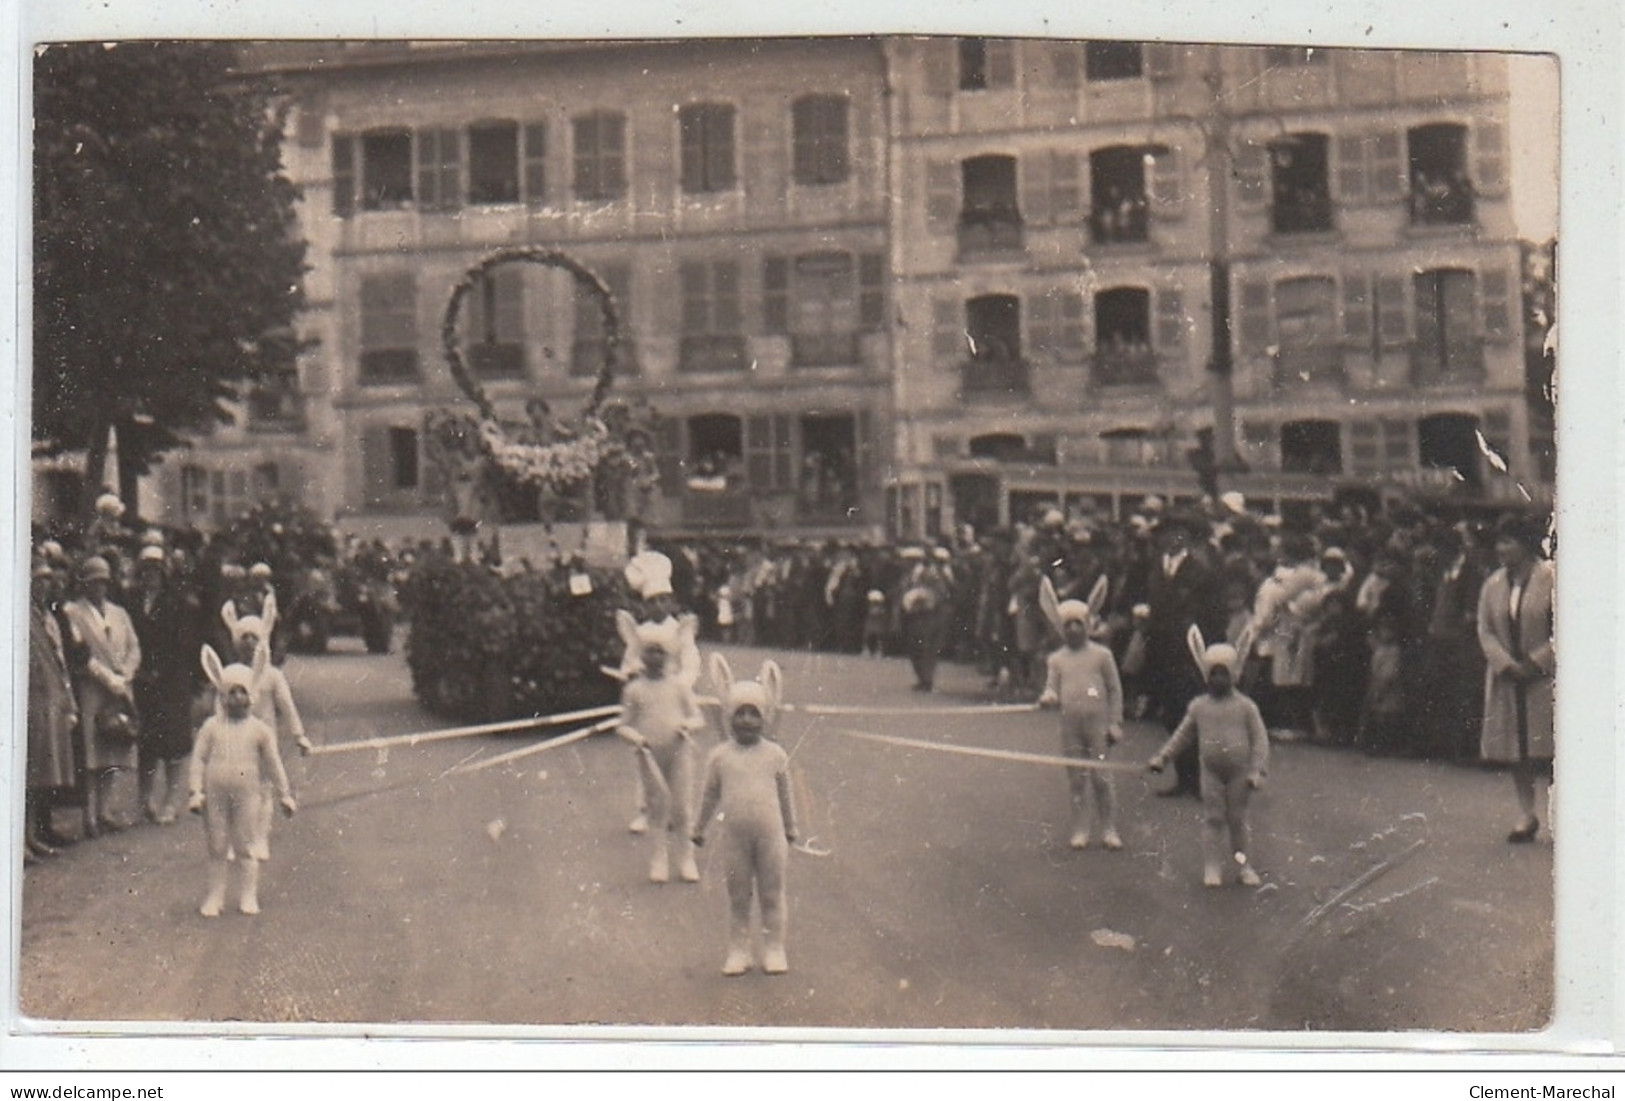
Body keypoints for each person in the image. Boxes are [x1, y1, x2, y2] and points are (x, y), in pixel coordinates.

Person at [693, 655, 798, 976]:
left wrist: (791, 828)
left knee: (771, 893)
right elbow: (709, 794)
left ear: (765, 717)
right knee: (738, 896)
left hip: (771, 837)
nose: (747, 721)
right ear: (728, 717)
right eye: (740, 714)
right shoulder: (720, 756)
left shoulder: (775, 755)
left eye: (754, 714)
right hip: (734, 839)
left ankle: (774, 948)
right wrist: (699, 827)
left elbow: (785, 794)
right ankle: (739, 950)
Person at [1147, 625, 1268, 888]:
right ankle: (1212, 868)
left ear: (1234, 674)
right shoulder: (1199, 706)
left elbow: (1259, 740)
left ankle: (1243, 866)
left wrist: (1257, 770)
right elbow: (1182, 735)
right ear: (1205, 675)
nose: (1218, 680)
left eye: (1224, 674)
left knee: (1237, 820)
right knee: (1213, 819)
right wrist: (1163, 757)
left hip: (1239, 771)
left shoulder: (1246, 707)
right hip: (1211, 771)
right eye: (1213, 674)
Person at [188, 643, 296, 916]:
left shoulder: (260, 730)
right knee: (217, 845)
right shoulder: (211, 727)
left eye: (242, 692)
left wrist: (284, 794)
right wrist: (195, 791)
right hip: (215, 794)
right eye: (230, 693)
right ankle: (215, 896)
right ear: (221, 696)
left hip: (247, 794)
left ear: (252, 696)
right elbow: (198, 759)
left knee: (246, 845)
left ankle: (248, 895)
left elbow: (273, 764)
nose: (237, 698)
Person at [1476, 514, 1555, 844]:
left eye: (1507, 541)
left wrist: (1537, 661)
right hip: (1509, 678)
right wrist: (1506, 664)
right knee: (1516, 748)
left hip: (1546, 678)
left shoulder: (1551, 578)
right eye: (1498, 542)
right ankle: (1526, 813)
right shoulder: (1493, 584)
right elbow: (1485, 629)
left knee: (1553, 747)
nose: (1501, 549)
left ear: (1524, 544)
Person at [613, 611, 704, 884]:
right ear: (641, 654)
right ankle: (658, 859)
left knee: (682, 807)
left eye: (660, 652)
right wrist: (636, 739)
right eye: (650, 652)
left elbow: (697, 717)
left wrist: (687, 727)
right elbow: (623, 724)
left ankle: (686, 859)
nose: (655, 657)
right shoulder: (634, 690)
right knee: (656, 807)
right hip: (649, 754)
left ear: (669, 655)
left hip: (679, 751)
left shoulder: (679, 686)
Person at [1036, 577, 1124, 852]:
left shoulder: (1102, 655)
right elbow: (1051, 687)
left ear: (1088, 625)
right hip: (1070, 725)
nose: (1074, 629)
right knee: (1076, 779)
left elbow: (1114, 690)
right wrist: (1049, 696)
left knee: (1101, 778)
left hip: (1097, 724)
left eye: (1079, 624)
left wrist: (1115, 722)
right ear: (1061, 629)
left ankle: (1108, 828)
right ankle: (1080, 828)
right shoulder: (1057, 659)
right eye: (1068, 625)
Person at [220, 596, 311, 859]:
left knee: (262, 789)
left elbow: (287, 707)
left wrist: (299, 736)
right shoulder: (232, 674)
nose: (249, 644)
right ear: (237, 643)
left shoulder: (272, 675)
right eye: (244, 638)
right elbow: (220, 704)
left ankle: (260, 838)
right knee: (234, 789)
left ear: (263, 641)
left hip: (263, 740)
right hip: (235, 738)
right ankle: (233, 840)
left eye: (254, 638)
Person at [1143, 511, 1225, 798]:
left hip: (1188, 654)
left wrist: (1208, 655)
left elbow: (1213, 616)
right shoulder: (1157, 568)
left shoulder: (1200, 571)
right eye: (1164, 533)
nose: (1167, 538)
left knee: (1194, 717)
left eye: (1174, 533)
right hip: (1162, 651)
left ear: (1185, 537)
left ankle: (1204, 780)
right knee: (1171, 715)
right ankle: (1185, 778)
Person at [618, 550, 702, 836]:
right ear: (644, 606)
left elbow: (691, 664)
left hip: (675, 700)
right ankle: (645, 810)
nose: (658, 606)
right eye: (651, 602)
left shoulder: (681, 631)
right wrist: (632, 674)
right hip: (648, 702)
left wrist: (679, 685)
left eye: (663, 600)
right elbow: (629, 662)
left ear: (672, 601)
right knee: (645, 756)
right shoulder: (640, 633)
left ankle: (677, 812)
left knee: (678, 761)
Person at [61, 555, 143, 837]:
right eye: (94, 582)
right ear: (83, 583)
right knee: (93, 752)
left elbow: (134, 647)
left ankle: (106, 810)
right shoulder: (74, 612)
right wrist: (108, 678)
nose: (99, 588)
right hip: (94, 689)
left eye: (103, 583)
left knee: (115, 749)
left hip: (120, 688)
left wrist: (125, 675)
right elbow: (80, 653)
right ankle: (90, 816)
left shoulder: (119, 613)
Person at [127, 545, 203, 824]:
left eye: (155, 570)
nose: (150, 576)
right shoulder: (133, 600)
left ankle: (171, 800)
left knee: (173, 743)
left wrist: (162, 670)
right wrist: (140, 670)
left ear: (164, 573)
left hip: (171, 681)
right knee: (146, 742)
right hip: (143, 679)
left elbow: (184, 645)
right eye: (145, 570)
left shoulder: (178, 603)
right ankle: (144, 800)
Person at [27, 559, 79, 862]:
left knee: (41, 774)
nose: (44, 587)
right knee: (29, 773)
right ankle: (22, 838)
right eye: (39, 581)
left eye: (47, 581)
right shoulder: (25, 616)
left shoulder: (48, 617)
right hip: (33, 699)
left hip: (51, 697)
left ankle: (33, 834)